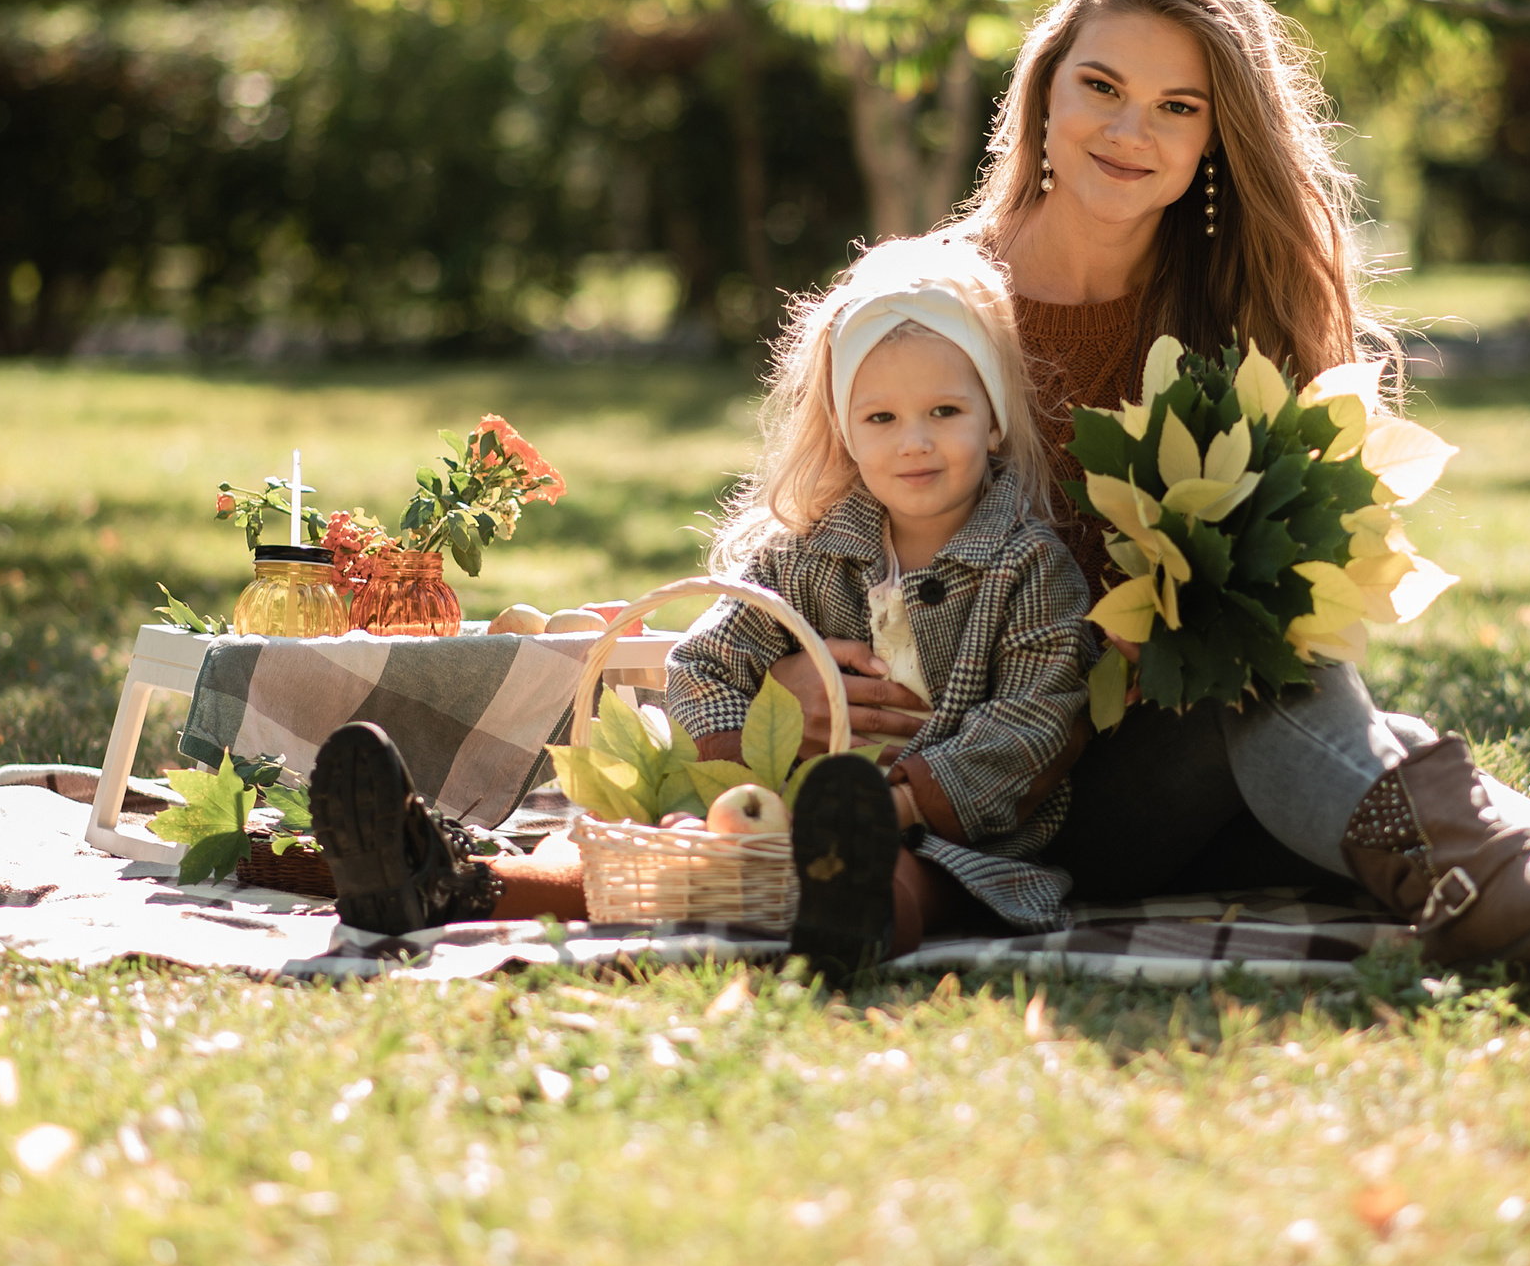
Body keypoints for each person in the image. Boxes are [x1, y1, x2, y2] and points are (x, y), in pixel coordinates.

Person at [751, 0, 1530, 1008]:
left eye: (1176, 107)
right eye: (1100, 85)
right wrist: (783, 677)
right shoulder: (931, 307)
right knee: (1292, 706)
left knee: (1273, 680)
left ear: (1211, 142)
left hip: (1188, 771)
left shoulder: (1229, 318)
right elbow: (793, 525)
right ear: (1044, 91)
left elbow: (1286, 582)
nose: (1129, 128)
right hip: (997, 791)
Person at [312, 236, 1098, 979]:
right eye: (881, 418)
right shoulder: (805, 553)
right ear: (848, 434)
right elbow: (705, 664)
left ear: (993, 417)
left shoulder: (1028, 565)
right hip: (763, 806)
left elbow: (1035, 721)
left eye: (945, 413)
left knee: (906, 872)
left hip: (947, 836)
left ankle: (851, 915)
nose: (913, 442)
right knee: (651, 852)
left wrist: (896, 800)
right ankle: (447, 881)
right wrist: (735, 769)